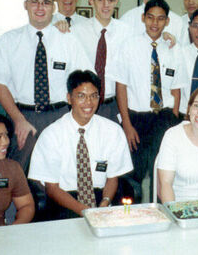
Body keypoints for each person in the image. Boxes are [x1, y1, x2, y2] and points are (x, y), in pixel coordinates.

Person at [0, 0, 92, 174]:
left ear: (54, 7)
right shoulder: (9, 40)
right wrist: (18, 120)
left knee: (62, 173)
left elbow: (83, 82)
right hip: (24, 116)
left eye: (46, 3)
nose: (40, 8)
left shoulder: (68, 39)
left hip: (61, 116)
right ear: (25, 4)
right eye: (35, 2)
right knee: (17, 173)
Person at [28, 70, 133, 219]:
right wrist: (85, 211)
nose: (88, 103)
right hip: (65, 202)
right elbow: (52, 189)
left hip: (101, 199)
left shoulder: (112, 131)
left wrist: (105, 201)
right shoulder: (51, 135)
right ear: (69, 98)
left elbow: (112, 177)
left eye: (93, 96)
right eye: (81, 96)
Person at [112, 0, 186, 200]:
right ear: (143, 18)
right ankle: (128, 217)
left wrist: (174, 117)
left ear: (167, 21)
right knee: (132, 173)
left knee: (162, 172)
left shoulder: (174, 48)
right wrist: (126, 124)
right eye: (151, 17)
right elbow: (121, 86)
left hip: (164, 118)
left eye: (161, 18)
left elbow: (177, 88)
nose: (155, 23)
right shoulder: (129, 46)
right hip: (137, 119)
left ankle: (160, 214)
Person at [72, 0, 132, 123]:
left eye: (110, 0)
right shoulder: (76, 31)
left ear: (116, 2)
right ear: (91, 1)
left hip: (114, 104)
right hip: (85, 103)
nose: (106, 5)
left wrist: (167, 38)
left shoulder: (127, 32)